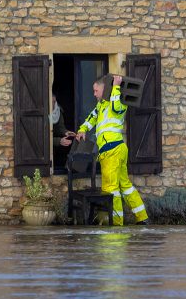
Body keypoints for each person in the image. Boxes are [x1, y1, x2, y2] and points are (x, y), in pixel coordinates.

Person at [63, 74, 149, 226]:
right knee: (125, 185)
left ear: (104, 88)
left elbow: (116, 109)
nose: (94, 94)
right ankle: (142, 217)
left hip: (112, 150)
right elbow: (92, 118)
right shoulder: (101, 105)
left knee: (111, 188)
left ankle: (116, 224)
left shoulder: (119, 100)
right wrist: (83, 130)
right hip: (116, 149)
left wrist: (116, 86)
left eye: (96, 90)